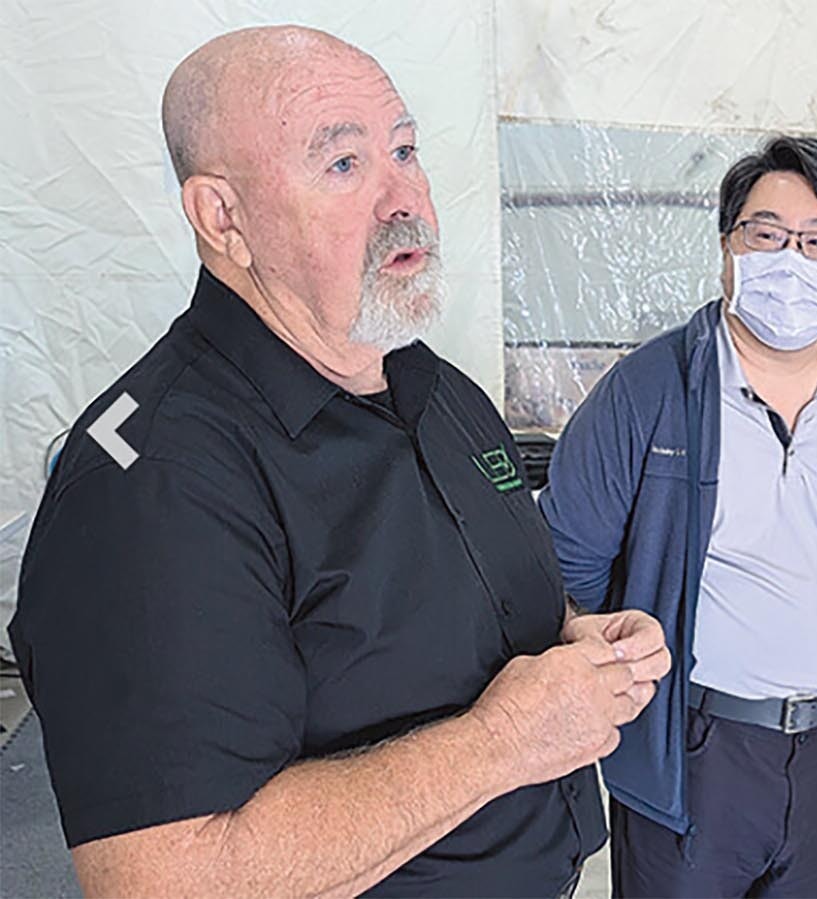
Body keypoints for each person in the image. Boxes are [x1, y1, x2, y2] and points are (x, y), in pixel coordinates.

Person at [9, 26, 669, 898]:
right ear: (223, 216)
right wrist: (506, 740)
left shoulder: (438, 391)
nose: (405, 197)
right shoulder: (149, 483)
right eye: (344, 164)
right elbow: (165, 876)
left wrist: (567, 652)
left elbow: (434, 630)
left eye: (404, 148)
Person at [539, 135, 817, 898]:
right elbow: (566, 552)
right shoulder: (650, 389)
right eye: (767, 234)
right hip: (696, 747)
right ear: (727, 249)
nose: (792, 258)